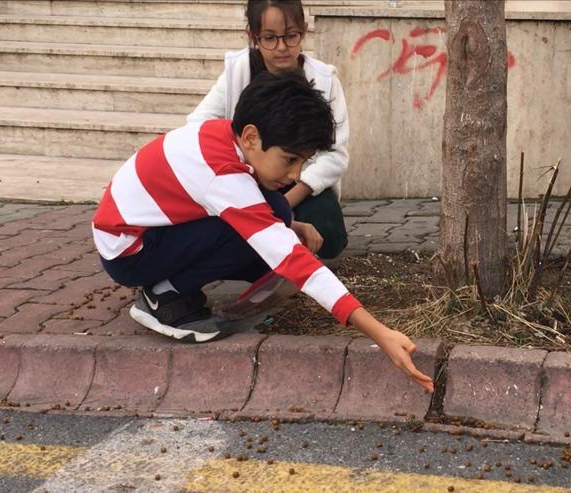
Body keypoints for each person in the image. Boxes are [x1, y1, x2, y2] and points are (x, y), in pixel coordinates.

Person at [93, 72, 434, 393]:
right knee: (266, 237)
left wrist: (290, 225)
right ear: (252, 137)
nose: (296, 174)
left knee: (279, 212)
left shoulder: (225, 137)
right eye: (289, 160)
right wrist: (380, 333)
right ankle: (163, 294)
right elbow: (294, 260)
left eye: (302, 162)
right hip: (131, 252)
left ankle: (179, 280)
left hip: (149, 234)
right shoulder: (223, 176)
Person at [187, 0, 349, 260]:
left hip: (299, 183)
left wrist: (286, 202)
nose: (282, 47)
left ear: (304, 31)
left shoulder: (324, 80)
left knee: (328, 236)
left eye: (291, 36)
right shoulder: (238, 71)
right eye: (270, 38)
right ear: (254, 36)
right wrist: (240, 165)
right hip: (248, 179)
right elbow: (198, 125)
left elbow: (335, 155)